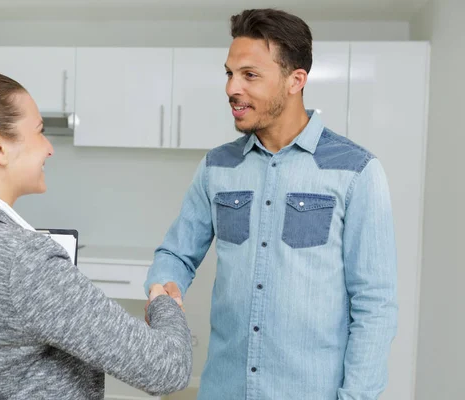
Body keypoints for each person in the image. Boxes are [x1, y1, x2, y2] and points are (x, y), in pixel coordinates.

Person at [0, 70, 191, 400]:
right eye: (39, 132)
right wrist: (163, 304)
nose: (49, 148)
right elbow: (166, 369)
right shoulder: (25, 261)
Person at [145, 8, 397, 400]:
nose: (232, 88)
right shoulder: (217, 166)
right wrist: (164, 294)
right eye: (230, 73)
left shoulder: (357, 171)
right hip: (223, 389)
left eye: (250, 75)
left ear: (296, 80)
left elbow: (375, 305)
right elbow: (175, 254)